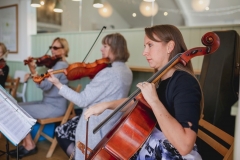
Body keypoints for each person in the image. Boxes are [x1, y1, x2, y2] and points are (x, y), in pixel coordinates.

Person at [84, 24, 203, 160]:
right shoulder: (160, 79)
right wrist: (106, 105)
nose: (144, 52)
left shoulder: (184, 83)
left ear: (169, 47)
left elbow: (184, 146)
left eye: (150, 45)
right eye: (145, 46)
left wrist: (154, 101)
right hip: (151, 149)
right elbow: (136, 103)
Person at [47, 33, 133, 159]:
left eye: (105, 46)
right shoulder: (127, 71)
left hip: (95, 125)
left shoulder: (108, 73)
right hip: (111, 122)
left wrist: (58, 84)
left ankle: (80, 156)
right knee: (64, 128)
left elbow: (82, 100)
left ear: (115, 48)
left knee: (61, 131)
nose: (101, 49)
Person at [9, 37, 70, 158]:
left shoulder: (61, 65)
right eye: (51, 47)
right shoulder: (56, 64)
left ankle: (29, 145)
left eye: (56, 48)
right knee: (16, 106)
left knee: (17, 110)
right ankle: (27, 143)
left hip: (55, 107)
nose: (52, 50)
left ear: (64, 50)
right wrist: (33, 71)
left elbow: (46, 86)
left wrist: (33, 70)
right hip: (47, 103)